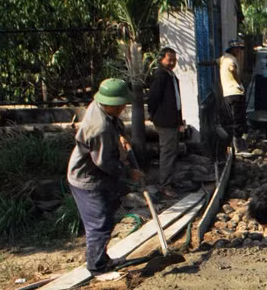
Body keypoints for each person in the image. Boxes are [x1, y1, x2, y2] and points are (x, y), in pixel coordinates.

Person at [68, 79, 144, 274]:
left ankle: (102, 258)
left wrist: (121, 138)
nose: (123, 108)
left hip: (99, 177)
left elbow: (116, 125)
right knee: (100, 224)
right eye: (120, 105)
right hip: (87, 179)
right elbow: (104, 162)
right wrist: (129, 172)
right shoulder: (99, 127)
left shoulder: (100, 107)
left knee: (107, 216)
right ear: (110, 104)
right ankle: (97, 268)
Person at [147, 46, 183, 197]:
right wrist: (154, 115)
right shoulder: (160, 75)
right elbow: (153, 98)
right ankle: (165, 185)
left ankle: (170, 181)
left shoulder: (170, 75)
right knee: (168, 152)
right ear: (161, 59)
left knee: (172, 151)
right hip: (165, 121)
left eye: (174, 60)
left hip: (173, 120)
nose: (172, 63)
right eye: (169, 60)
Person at [220, 40, 247, 152]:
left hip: (227, 94)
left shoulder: (223, 58)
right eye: (239, 50)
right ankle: (238, 147)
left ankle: (233, 144)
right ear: (235, 50)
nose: (240, 52)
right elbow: (232, 69)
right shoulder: (232, 59)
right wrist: (239, 82)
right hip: (235, 92)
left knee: (232, 118)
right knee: (238, 119)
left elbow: (215, 61)